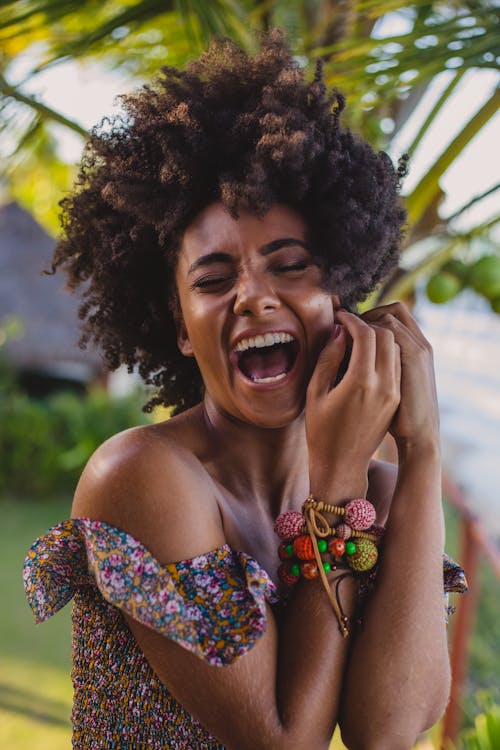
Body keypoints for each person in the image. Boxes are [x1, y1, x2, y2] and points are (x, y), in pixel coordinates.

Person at [23, 30, 466, 750]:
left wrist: (420, 453)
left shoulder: (383, 497)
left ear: (342, 295)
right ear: (178, 324)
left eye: (289, 266)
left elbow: (386, 732)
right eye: (214, 278)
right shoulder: (143, 478)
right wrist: (338, 480)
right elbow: (283, 742)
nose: (253, 298)